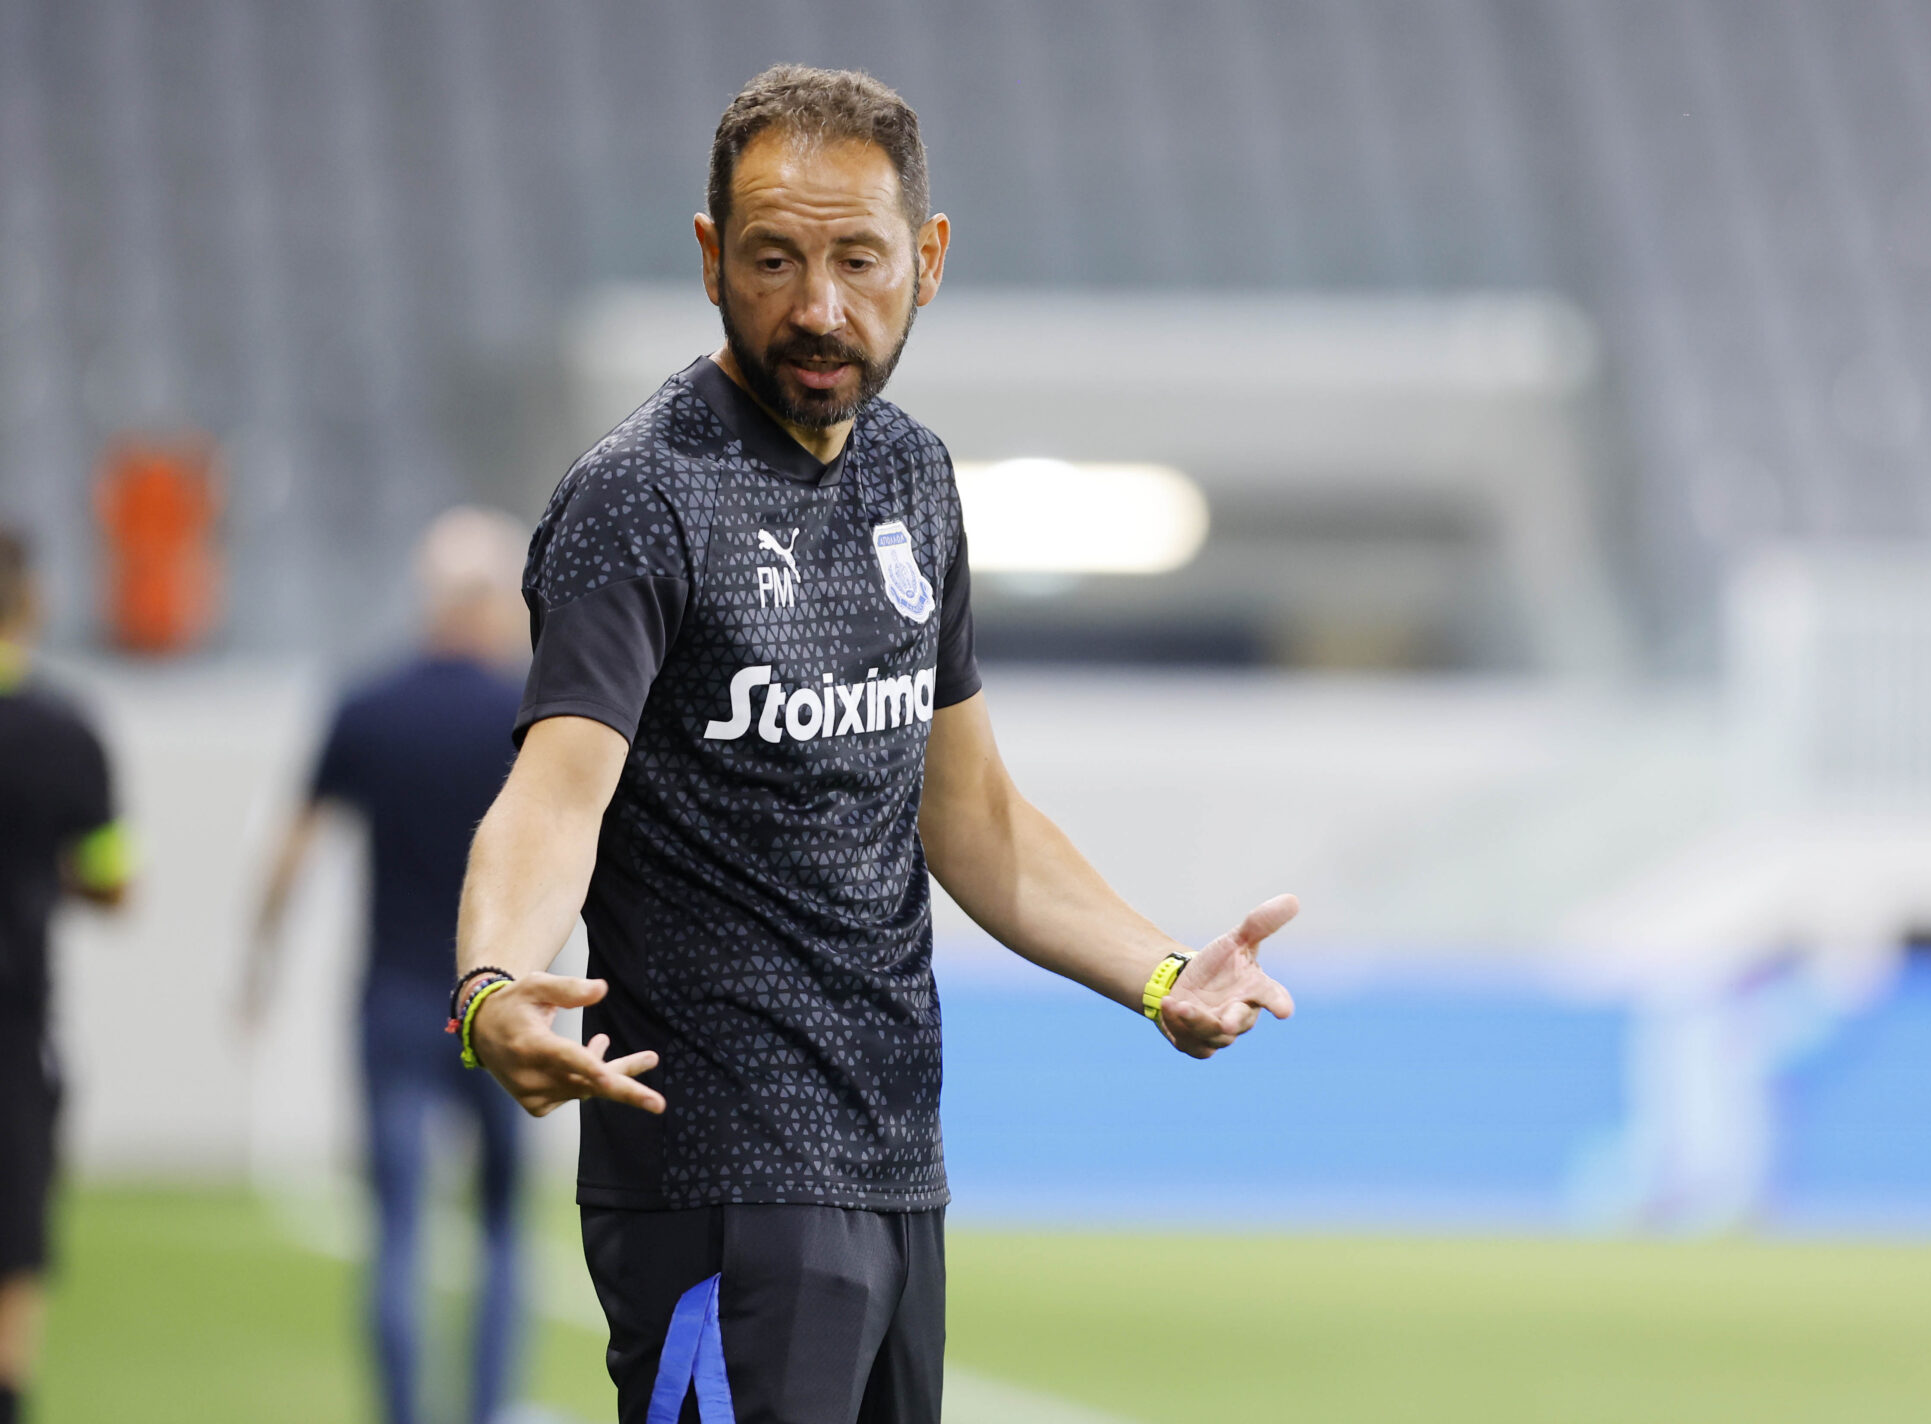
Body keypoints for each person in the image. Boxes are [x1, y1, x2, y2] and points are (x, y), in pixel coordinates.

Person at [451, 65, 1298, 1424]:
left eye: (858, 258)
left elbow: (971, 814)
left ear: (929, 258)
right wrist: (493, 984)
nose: (818, 307)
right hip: (718, 1180)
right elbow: (554, 796)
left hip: (896, 1173)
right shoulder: (641, 497)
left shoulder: (912, 474)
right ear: (710, 256)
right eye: (773, 259)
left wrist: (1157, 972)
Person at [246, 508, 532, 1424]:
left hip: (397, 1001)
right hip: (502, 999)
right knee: (500, 1226)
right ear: (490, 601)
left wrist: (259, 963)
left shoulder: (370, 708)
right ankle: (485, 1409)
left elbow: (292, 849)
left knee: (399, 1227)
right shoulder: (525, 713)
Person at [0, 525, 131, 1424]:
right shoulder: (63, 731)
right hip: (13, 1026)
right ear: (32, 601)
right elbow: (112, 879)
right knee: (12, 1250)